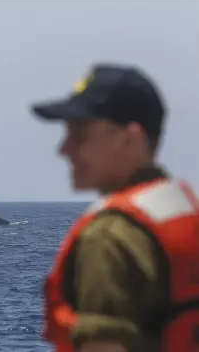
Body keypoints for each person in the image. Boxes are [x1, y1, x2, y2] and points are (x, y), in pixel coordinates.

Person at [29, 63, 199, 352]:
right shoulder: (182, 212)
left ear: (129, 138)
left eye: (79, 134)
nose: (64, 149)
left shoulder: (111, 237)